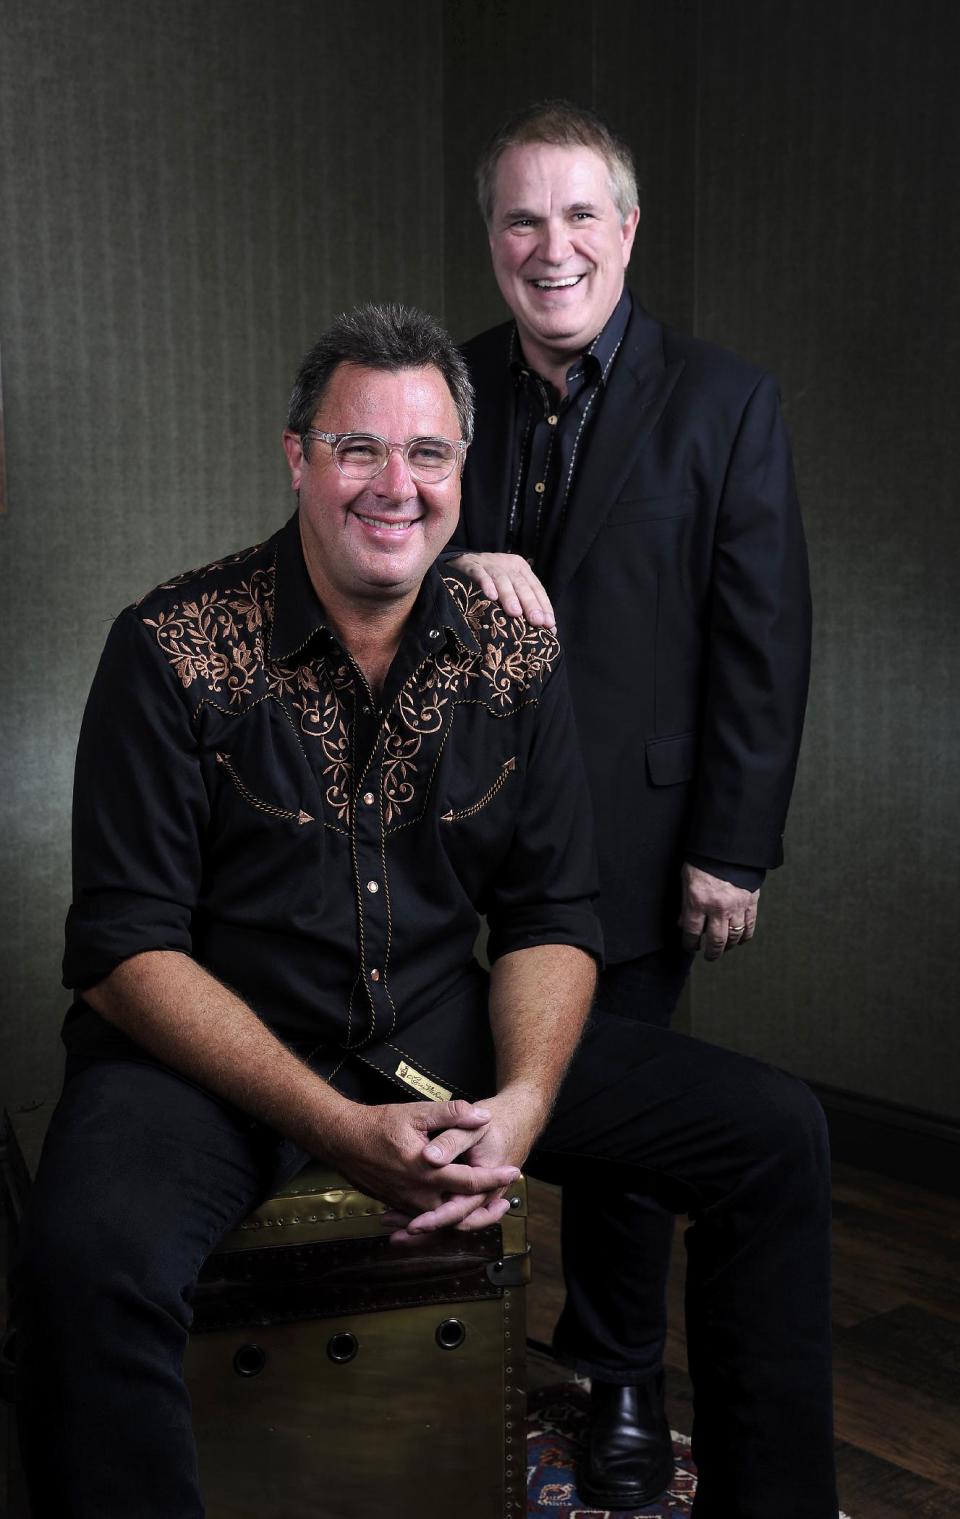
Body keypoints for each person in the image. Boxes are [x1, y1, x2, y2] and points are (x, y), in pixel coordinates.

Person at [12, 303, 835, 1519]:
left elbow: (554, 913)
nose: (396, 485)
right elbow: (124, 953)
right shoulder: (169, 649)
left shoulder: (513, 657)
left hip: (439, 1034)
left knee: (773, 1136)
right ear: (298, 457)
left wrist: (523, 1104)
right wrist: (342, 1129)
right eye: (359, 449)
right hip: (209, 1058)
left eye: (430, 453)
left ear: (466, 469)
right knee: (84, 1261)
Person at [448, 100, 813, 1501]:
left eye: (578, 214)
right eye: (522, 220)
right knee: (435, 1079)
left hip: (641, 842)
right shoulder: (450, 390)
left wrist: (734, 844)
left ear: (628, 227)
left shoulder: (727, 400)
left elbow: (763, 641)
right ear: (492, 242)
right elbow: (358, 563)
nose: (553, 247)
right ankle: (449, 1346)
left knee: (617, 1131)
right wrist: (456, 569)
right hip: (447, 834)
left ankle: (616, 1382)